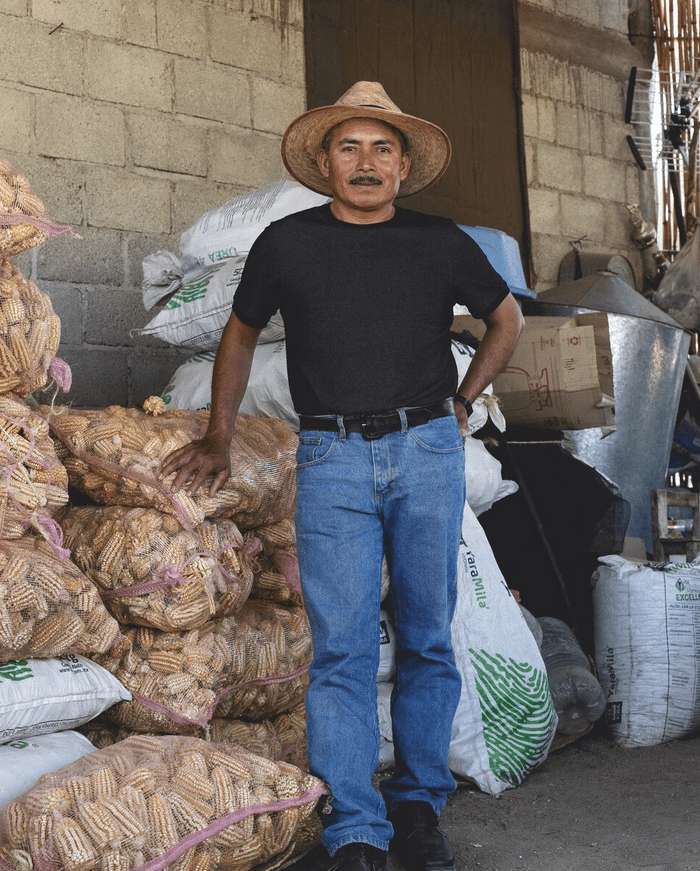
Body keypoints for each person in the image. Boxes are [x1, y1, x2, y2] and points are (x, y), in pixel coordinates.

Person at [161, 82, 524, 871]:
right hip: (329, 458)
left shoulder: (440, 241)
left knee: (428, 634)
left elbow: (506, 318)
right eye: (350, 148)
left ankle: (421, 805)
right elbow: (237, 334)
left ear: (403, 166)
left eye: (382, 149)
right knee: (343, 647)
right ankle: (356, 822)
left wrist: (462, 403)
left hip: (425, 450)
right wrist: (219, 435)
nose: (366, 163)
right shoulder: (288, 243)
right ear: (325, 163)